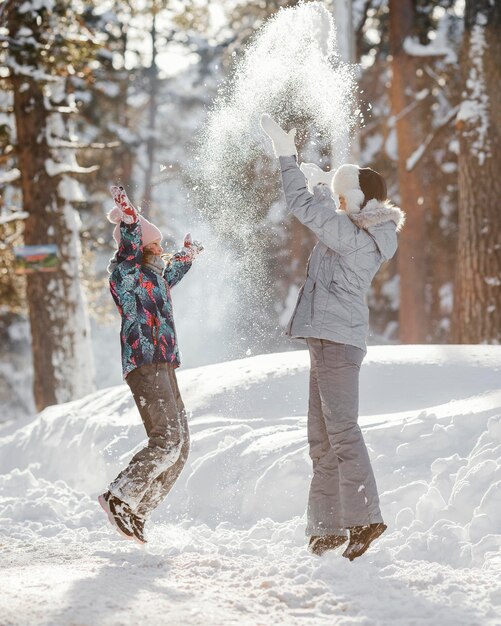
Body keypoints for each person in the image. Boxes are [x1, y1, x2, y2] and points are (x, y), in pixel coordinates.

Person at [260, 114, 405, 560]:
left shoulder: (360, 239)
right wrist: (327, 186)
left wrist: (287, 157)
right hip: (327, 340)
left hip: (338, 344)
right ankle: (326, 529)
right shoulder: (356, 231)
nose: (340, 203)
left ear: (360, 200)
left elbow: (305, 209)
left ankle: (366, 519)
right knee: (321, 440)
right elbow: (330, 215)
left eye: (346, 197)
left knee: (342, 432)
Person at [98, 185, 203, 545]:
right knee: (167, 440)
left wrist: (188, 256)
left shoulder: (153, 275)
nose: (161, 247)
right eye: (153, 243)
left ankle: (138, 510)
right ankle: (119, 495)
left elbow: (170, 273)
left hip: (164, 363)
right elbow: (128, 248)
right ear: (139, 245)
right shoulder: (124, 273)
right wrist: (129, 222)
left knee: (181, 446)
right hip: (144, 362)